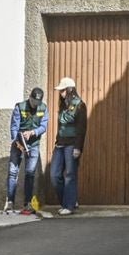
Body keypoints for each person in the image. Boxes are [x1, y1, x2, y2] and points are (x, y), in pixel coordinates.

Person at [5, 85, 48, 214]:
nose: (35, 104)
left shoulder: (44, 108)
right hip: (19, 143)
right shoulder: (20, 107)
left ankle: (27, 203)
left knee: (30, 174)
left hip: (33, 145)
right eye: (34, 101)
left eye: (38, 102)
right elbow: (14, 127)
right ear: (30, 98)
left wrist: (32, 132)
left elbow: (43, 126)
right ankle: (10, 202)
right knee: (13, 172)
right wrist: (17, 141)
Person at [51, 77, 88, 214]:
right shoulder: (63, 105)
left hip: (72, 145)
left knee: (70, 175)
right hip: (60, 145)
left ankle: (69, 206)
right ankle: (69, 201)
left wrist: (78, 147)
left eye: (62, 90)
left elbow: (82, 128)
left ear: (70, 89)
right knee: (54, 175)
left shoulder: (79, 105)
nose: (60, 93)